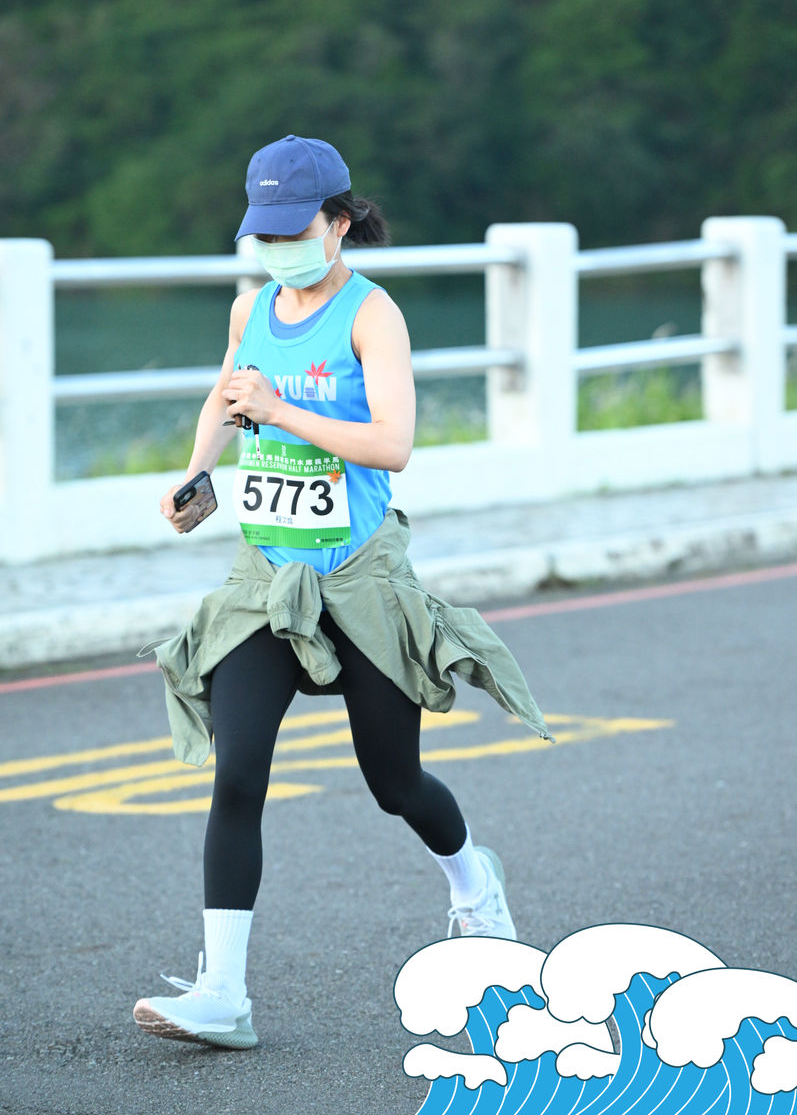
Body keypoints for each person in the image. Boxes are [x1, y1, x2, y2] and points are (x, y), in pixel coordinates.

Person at [133, 134, 551, 1049]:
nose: (278, 250)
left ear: (337, 222)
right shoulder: (250, 307)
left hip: (359, 577)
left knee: (392, 781)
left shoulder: (372, 314)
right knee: (238, 773)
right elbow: (225, 395)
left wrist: (281, 412)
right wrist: (196, 469)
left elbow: (392, 446)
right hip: (266, 580)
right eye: (265, 234)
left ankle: (473, 882)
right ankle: (223, 994)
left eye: (294, 232)